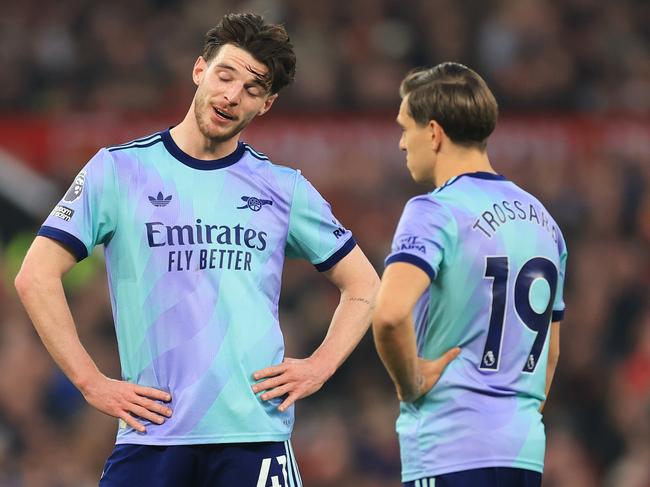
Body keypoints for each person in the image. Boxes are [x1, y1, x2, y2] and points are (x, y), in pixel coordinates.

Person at [15, 13, 379, 487]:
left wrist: (319, 368)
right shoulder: (119, 171)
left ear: (266, 105)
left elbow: (365, 283)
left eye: (252, 89)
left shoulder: (283, 188)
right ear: (199, 70)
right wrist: (91, 382)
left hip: (254, 437)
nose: (232, 95)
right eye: (226, 75)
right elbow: (34, 275)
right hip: (152, 436)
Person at [372, 62, 567, 487]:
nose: (402, 143)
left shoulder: (434, 211)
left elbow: (388, 315)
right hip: (523, 453)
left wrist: (411, 382)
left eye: (406, 128)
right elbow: (549, 354)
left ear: (435, 133)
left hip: (449, 448)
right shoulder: (545, 223)